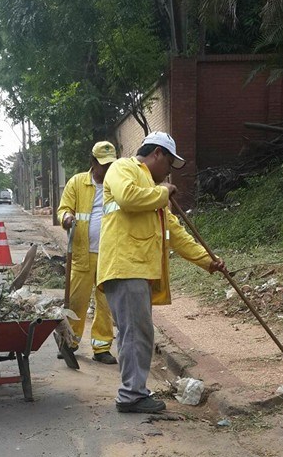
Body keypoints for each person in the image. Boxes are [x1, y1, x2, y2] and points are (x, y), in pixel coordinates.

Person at [97, 131, 227, 413]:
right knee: (135, 333)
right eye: (169, 164)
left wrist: (208, 260)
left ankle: (134, 391)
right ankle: (131, 395)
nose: (169, 172)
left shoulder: (152, 193)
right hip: (124, 266)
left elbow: (176, 234)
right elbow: (127, 197)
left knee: (139, 332)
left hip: (136, 270)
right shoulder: (124, 169)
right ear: (157, 154)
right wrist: (162, 192)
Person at [57, 141, 118, 364]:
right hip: (82, 253)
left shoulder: (117, 184)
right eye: (103, 164)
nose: (107, 169)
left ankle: (102, 347)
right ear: (92, 162)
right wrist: (65, 218)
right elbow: (63, 209)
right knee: (76, 301)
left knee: (105, 302)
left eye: (111, 164)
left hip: (109, 254)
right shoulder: (77, 182)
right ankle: (69, 342)